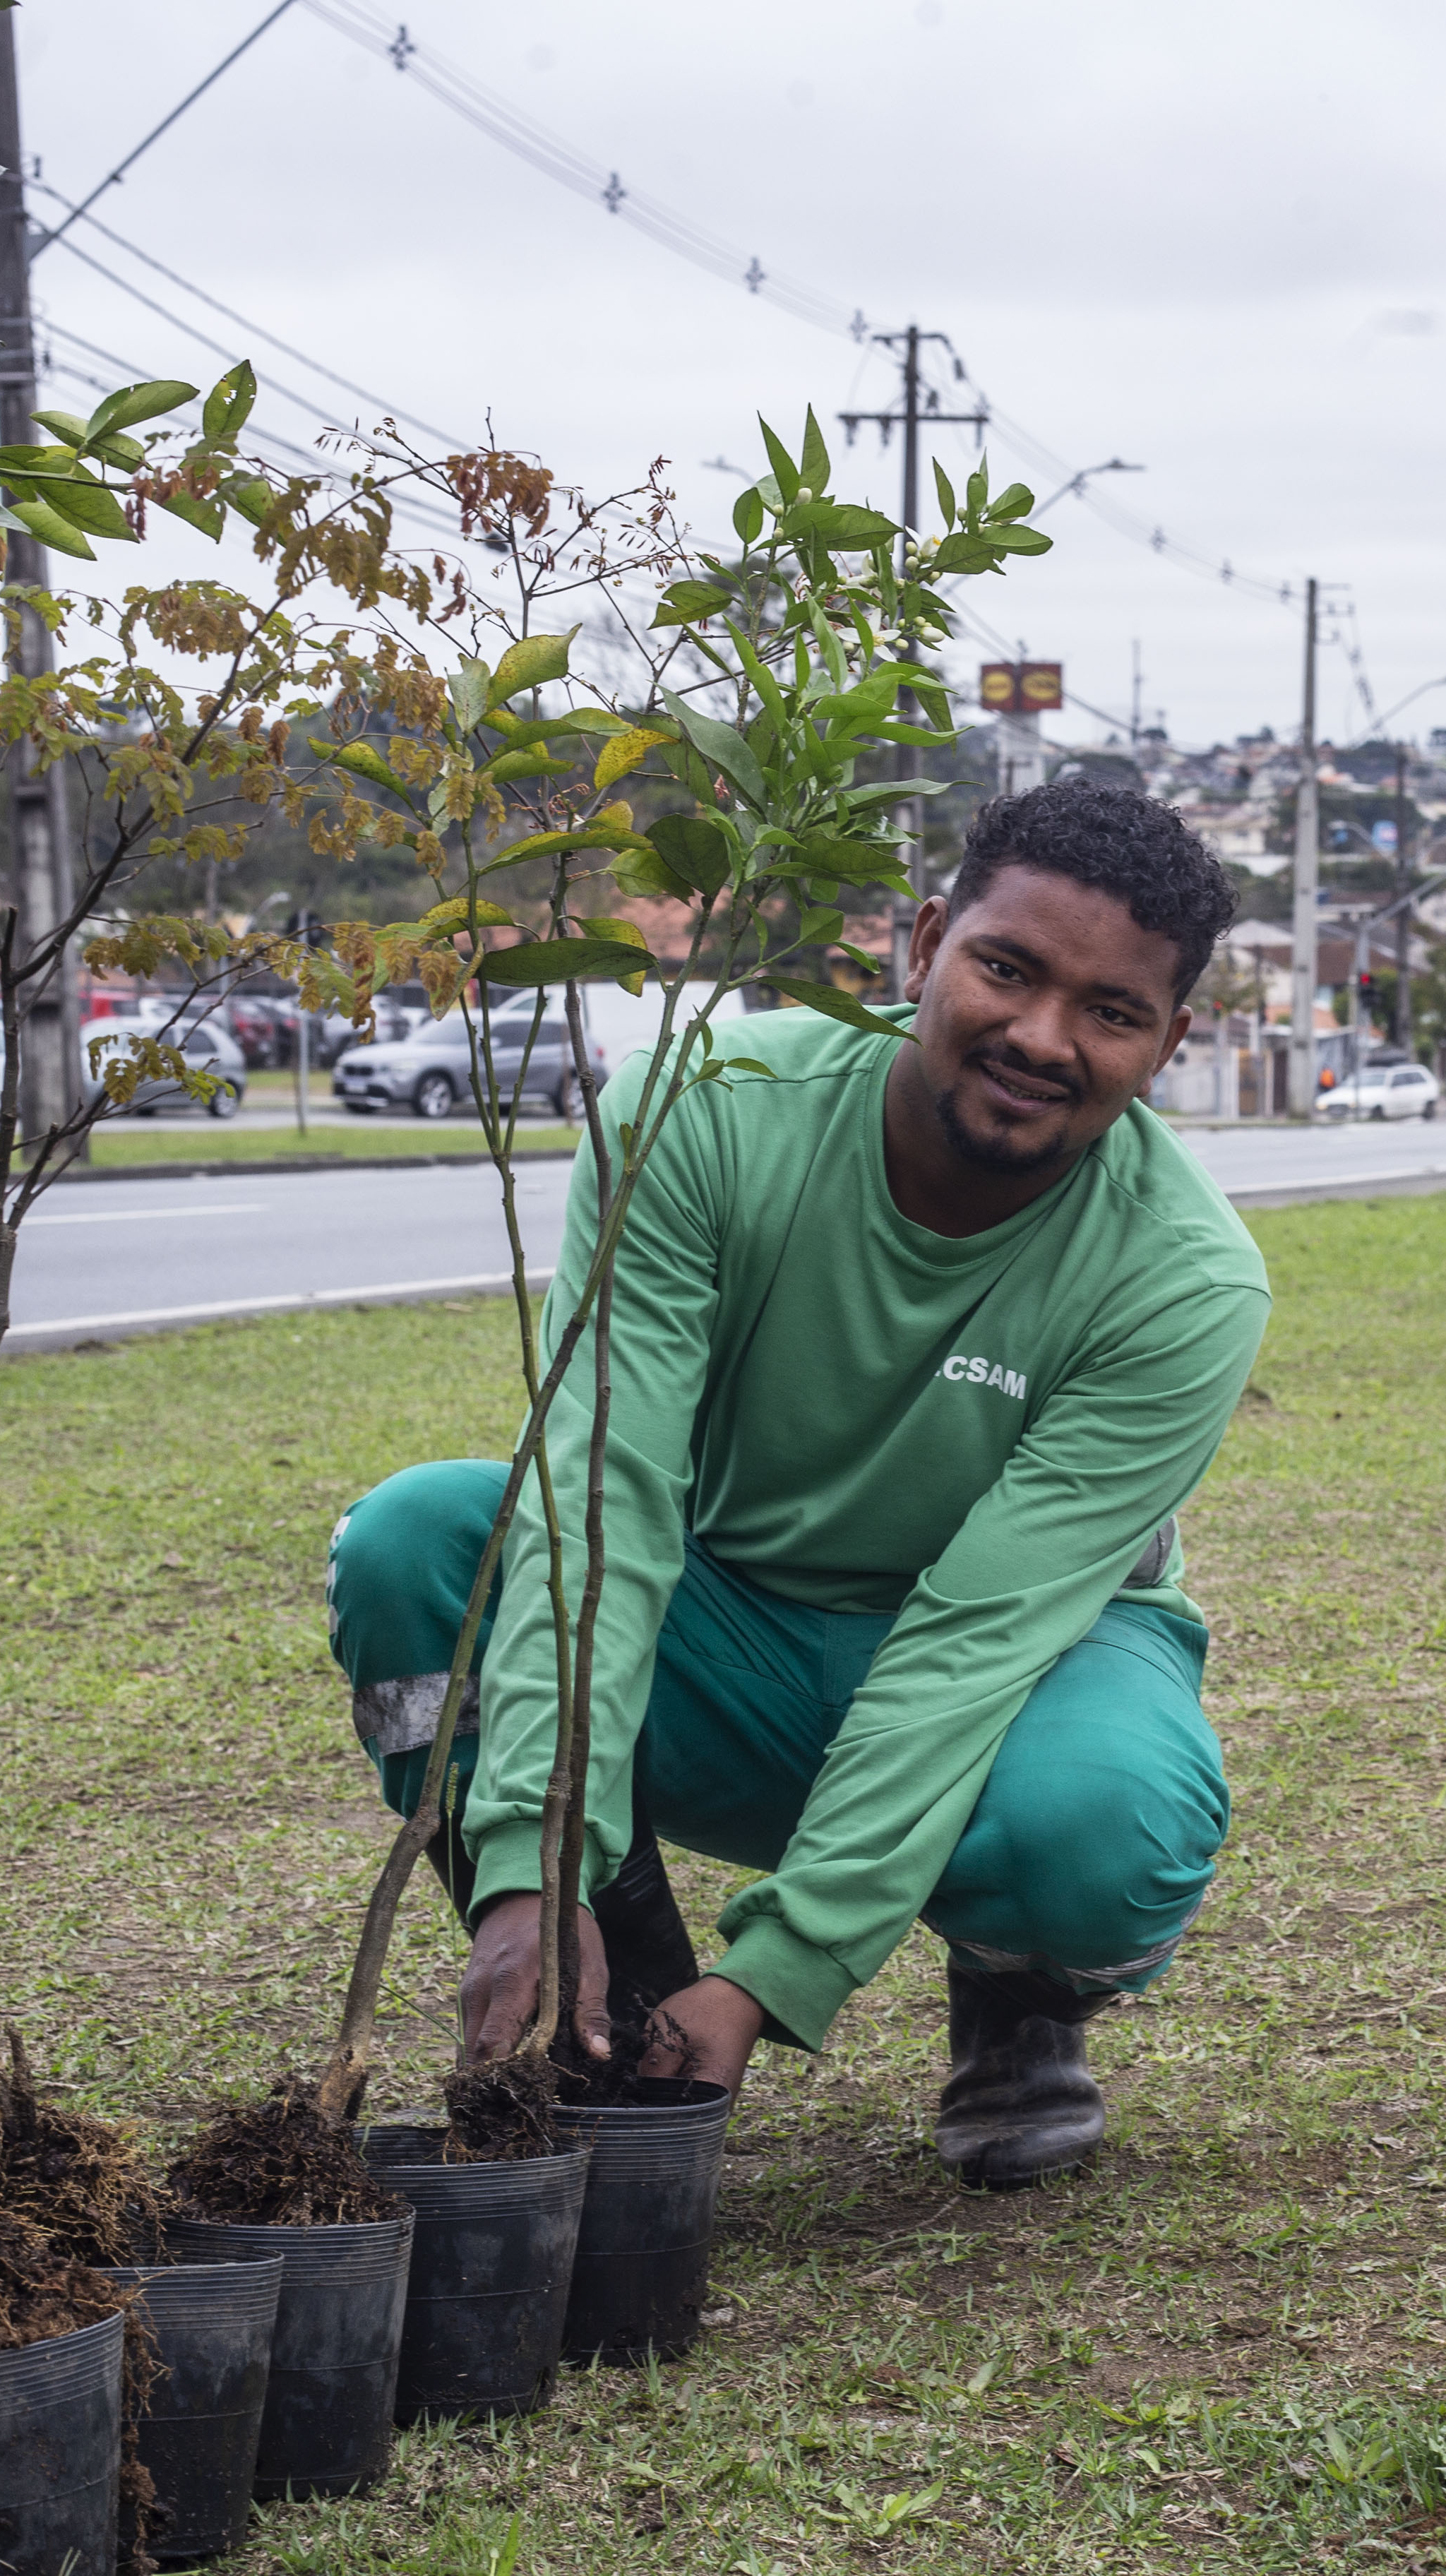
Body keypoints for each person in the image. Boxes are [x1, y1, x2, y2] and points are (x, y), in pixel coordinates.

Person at [322, 776, 1270, 2186]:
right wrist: (531, 1856)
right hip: (734, 1636)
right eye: (1005, 970)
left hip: (1027, 1678)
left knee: (1105, 1827)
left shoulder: (1184, 1280)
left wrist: (779, 1971)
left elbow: (976, 1638)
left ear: (1171, 1042)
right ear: (927, 940)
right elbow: (608, 1494)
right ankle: (616, 2009)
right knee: (418, 1545)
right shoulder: (705, 1111)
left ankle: (1018, 2004)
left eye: (1111, 1012)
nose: (1039, 1036)